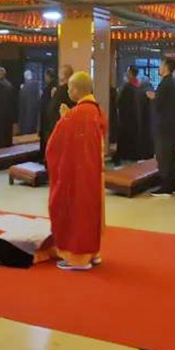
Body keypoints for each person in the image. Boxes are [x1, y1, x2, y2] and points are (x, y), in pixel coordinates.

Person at [46, 71, 106, 271]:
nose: (68, 91)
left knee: (75, 209)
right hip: (92, 170)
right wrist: (67, 117)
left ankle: (78, 258)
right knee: (91, 209)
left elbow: (55, 145)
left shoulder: (78, 114)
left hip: (78, 173)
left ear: (78, 89)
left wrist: (65, 118)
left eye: (70, 87)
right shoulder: (96, 110)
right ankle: (92, 252)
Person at [148, 59, 175, 197]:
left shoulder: (165, 84)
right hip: (172, 126)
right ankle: (171, 185)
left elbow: (159, 104)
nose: (159, 67)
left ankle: (166, 187)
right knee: (170, 157)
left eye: (161, 65)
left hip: (164, 127)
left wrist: (152, 97)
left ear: (166, 67)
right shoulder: (174, 83)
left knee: (163, 157)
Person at [41, 65, 75, 162]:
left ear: (63, 75)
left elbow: (51, 111)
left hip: (59, 131)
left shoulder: (61, 91)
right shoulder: (75, 91)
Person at [115, 65, 143, 163]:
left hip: (126, 119)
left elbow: (119, 102)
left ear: (130, 73)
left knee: (124, 139)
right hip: (136, 119)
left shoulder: (127, 87)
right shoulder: (139, 87)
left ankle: (122, 157)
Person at [38, 68, 57, 160]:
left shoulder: (50, 88)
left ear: (49, 76)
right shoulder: (54, 87)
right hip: (48, 120)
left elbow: (46, 104)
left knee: (46, 142)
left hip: (46, 120)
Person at [18, 69, 40, 135]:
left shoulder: (23, 88)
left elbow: (21, 103)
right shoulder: (36, 86)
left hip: (24, 113)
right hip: (34, 112)